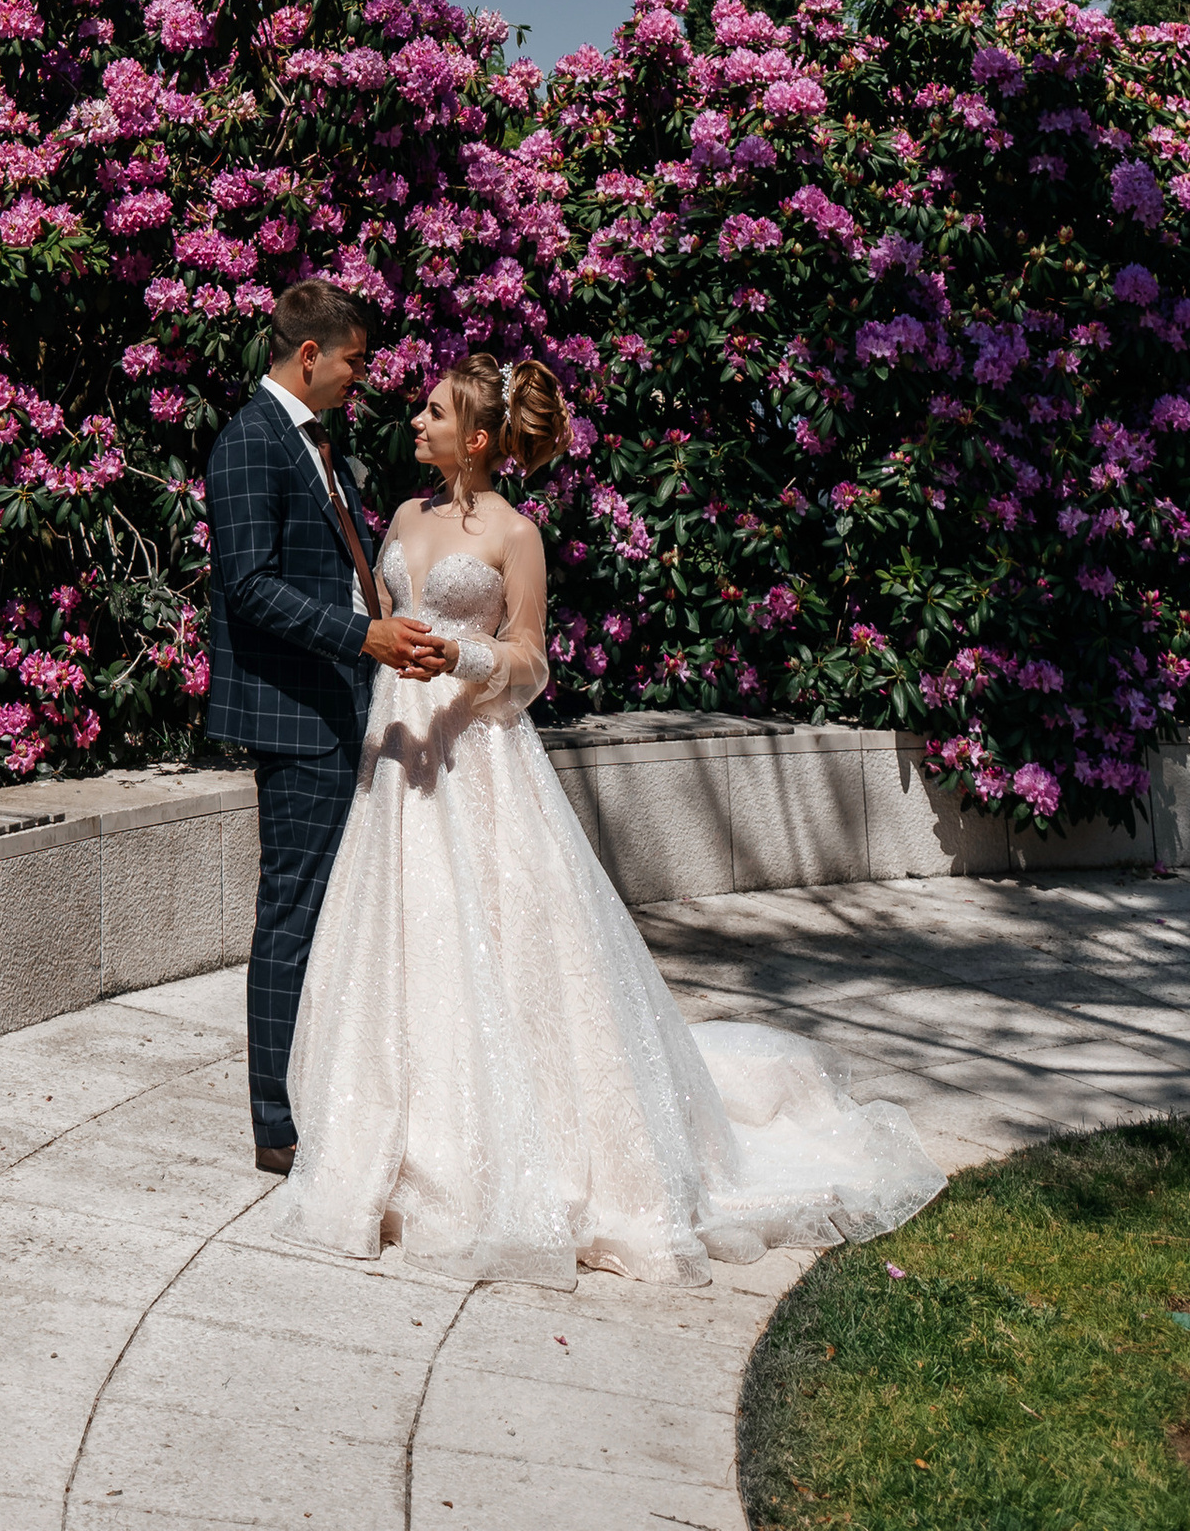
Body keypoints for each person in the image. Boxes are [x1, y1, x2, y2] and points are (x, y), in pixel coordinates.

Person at [269, 347, 945, 1280]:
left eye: (431, 413)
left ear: (474, 439)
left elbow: (533, 664)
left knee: (498, 943)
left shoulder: (516, 536)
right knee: (403, 935)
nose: (412, 423)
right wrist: (381, 639)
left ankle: (507, 1156)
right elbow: (384, 612)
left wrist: (463, 664)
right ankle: (394, 1143)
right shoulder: (402, 515)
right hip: (398, 752)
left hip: (476, 757)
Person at [204, 278, 443, 1172]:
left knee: (332, 914)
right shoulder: (248, 444)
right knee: (293, 914)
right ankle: (278, 1125)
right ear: (311, 354)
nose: (360, 377)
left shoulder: (311, 445)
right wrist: (364, 636)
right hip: (295, 719)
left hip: (337, 707)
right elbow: (250, 586)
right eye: (353, 360)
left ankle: (325, 1091)